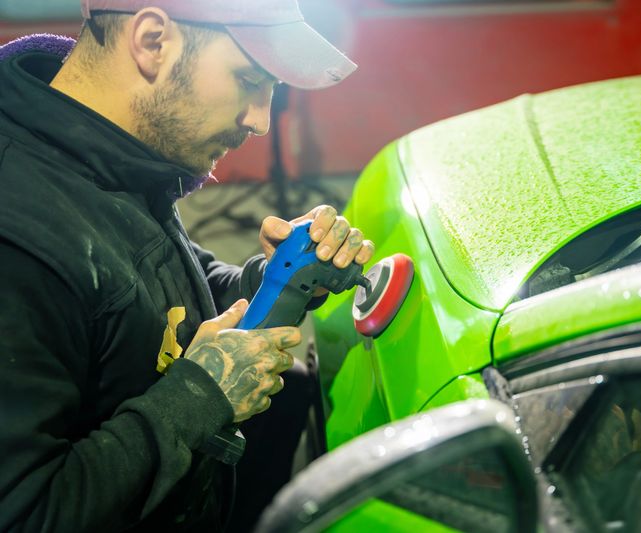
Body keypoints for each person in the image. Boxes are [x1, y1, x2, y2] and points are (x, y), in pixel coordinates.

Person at [0, 0, 373, 531]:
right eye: (249, 80)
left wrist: (271, 282)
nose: (261, 121)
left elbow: (150, 299)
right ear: (153, 41)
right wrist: (198, 399)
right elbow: (25, 513)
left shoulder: (111, 153)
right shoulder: (16, 242)